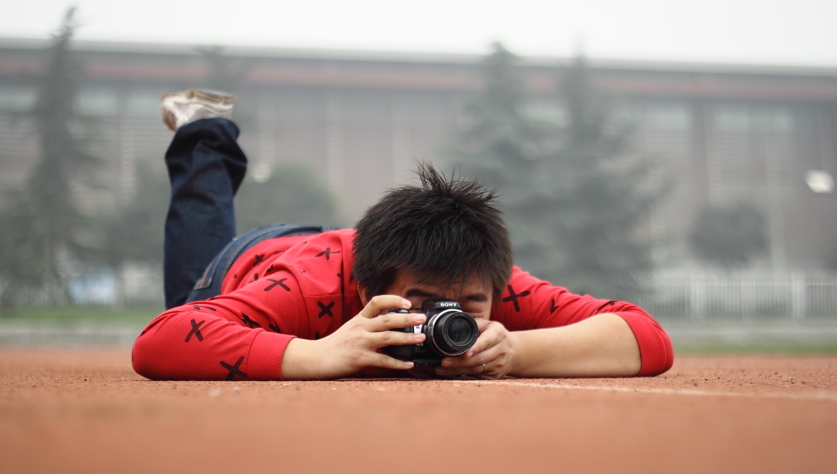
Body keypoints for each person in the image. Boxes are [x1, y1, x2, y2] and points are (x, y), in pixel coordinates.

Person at [131, 89, 674, 381]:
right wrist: (316, 354)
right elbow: (159, 341)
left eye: (469, 306)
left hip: (346, 245)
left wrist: (517, 350)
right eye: (422, 301)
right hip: (247, 265)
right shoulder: (311, 290)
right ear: (365, 291)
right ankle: (203, 131)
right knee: (197, 252)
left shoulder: (480, 277)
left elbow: (646, 337)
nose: (449, 315)